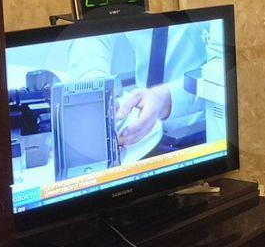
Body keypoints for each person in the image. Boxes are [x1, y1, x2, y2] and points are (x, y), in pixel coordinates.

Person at [65, 22, 208, 152]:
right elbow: (92, 28)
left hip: (202, 132)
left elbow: (220, 68)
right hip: (140, 137)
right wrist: (96, 86)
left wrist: (167, 98)